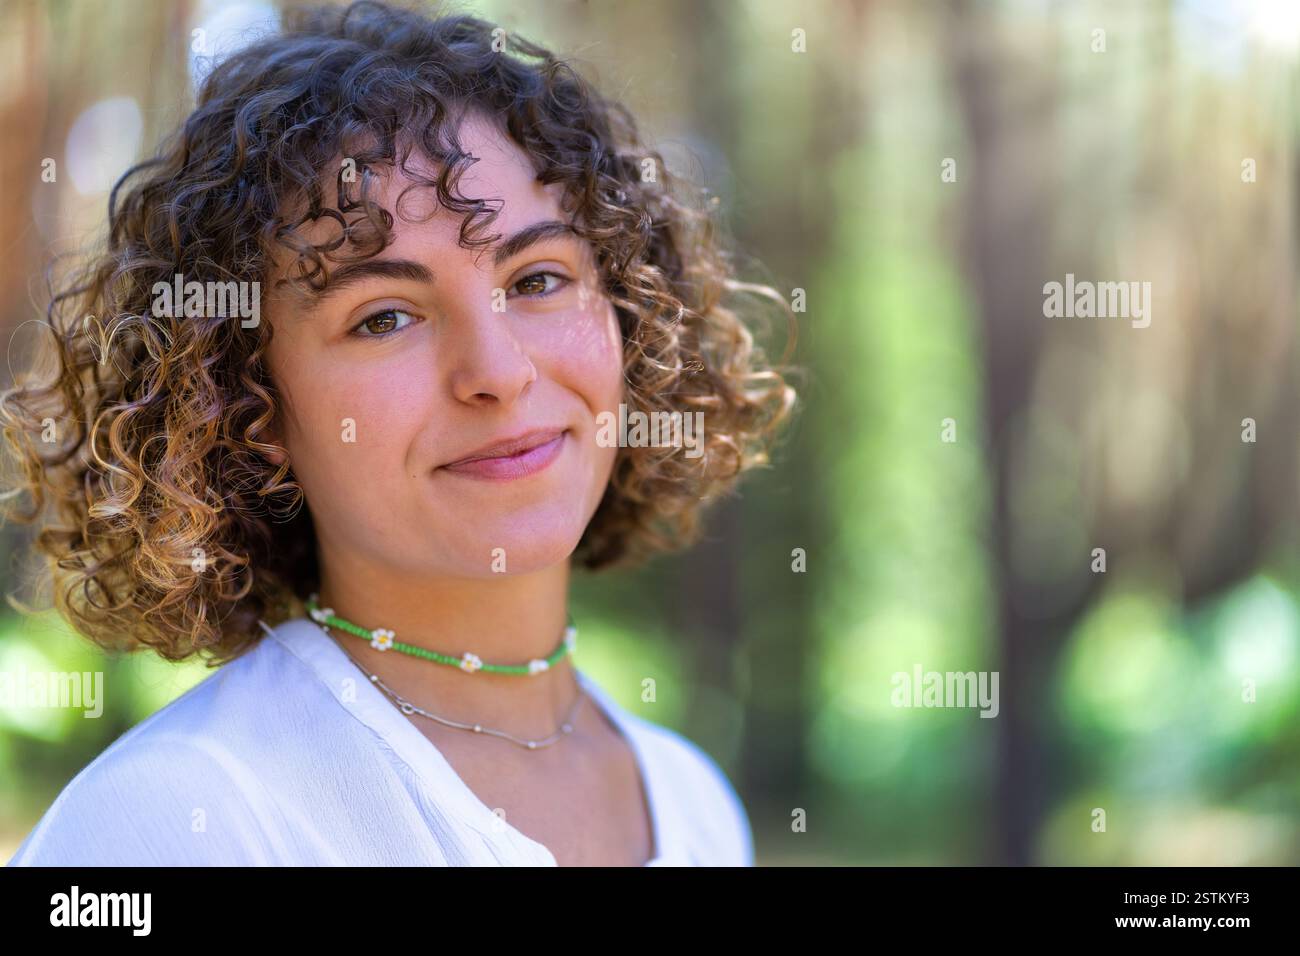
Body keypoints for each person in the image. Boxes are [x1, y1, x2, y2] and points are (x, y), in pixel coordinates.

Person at [1, 0, 796, 866]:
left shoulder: (691, 801)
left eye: (536, 279)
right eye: (384, 318)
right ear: (244, 406)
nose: (497, 371)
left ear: (628, 316)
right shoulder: (173, 819)